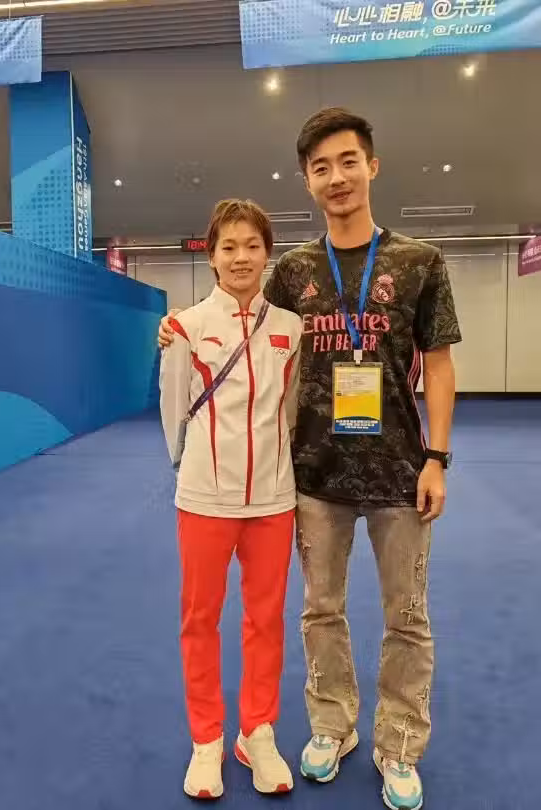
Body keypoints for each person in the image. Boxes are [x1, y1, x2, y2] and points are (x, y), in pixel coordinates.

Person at [159, 108, 461, 810]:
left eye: (348, 161)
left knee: (406, 616)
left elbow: (440, 365)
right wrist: (173, 330)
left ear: (371, 165)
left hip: (399, 472)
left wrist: (437, 457)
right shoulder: (292, 272)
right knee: (318, 612)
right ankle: (331, 727)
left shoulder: (420, 262)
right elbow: (237, 327)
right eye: (321, 167)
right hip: (312, 478)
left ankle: (399, 745)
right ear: (307, 180)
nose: (337, 177)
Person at [159, 199, 302, 799]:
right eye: (229, 247)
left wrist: (273, 464)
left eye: (252, 246)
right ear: (212, 256)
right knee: (200, 620)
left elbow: (291, 410)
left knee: (266, 620)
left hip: (273, 500)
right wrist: (194, 468)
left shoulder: (290, 328)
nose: (241, 257)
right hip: (204, 500)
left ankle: (257, 732)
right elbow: (173, 410)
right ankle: (206, 740)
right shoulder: (185, 327)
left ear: (268, 254)